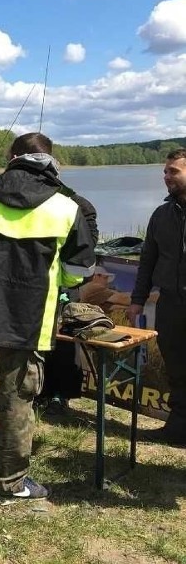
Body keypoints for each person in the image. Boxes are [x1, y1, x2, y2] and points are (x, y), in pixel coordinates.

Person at [0, 132, 96, 504]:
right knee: (16, 400)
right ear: (52, 161)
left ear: (12, 157)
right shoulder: (66, 207)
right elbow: (80, 269)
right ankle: (9, 483)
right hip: (27, 319)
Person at [128, 148, 186, 447]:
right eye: (165, 171)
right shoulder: (161, 215)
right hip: (171, 304)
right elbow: (147, 261)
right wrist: (137, 299)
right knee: (177, 368)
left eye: (173, 171)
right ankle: (177, 431)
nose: (166, 177)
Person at [36, 190, 99, 416]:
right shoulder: (36, 200)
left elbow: (86, 250)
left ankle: (61, 395)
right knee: (38, 341)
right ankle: (40, 391)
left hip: (65, 284)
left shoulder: (82, 206)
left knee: (64, 342)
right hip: (35, 284)